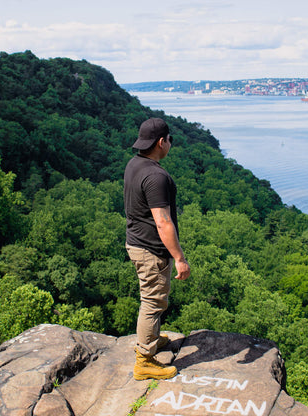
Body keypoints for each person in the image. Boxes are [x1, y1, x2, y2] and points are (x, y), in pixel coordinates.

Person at [124, 117, 190, 380]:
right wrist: (180, 258)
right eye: (169, 139)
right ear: (162, 142)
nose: (170, 143)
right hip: (150, 248)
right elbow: (163, 222)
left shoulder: (134, 164)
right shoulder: (156, 175)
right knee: (153, 301)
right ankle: (144, 360)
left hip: (136, 242)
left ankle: (151, 339)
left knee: (154, 297)